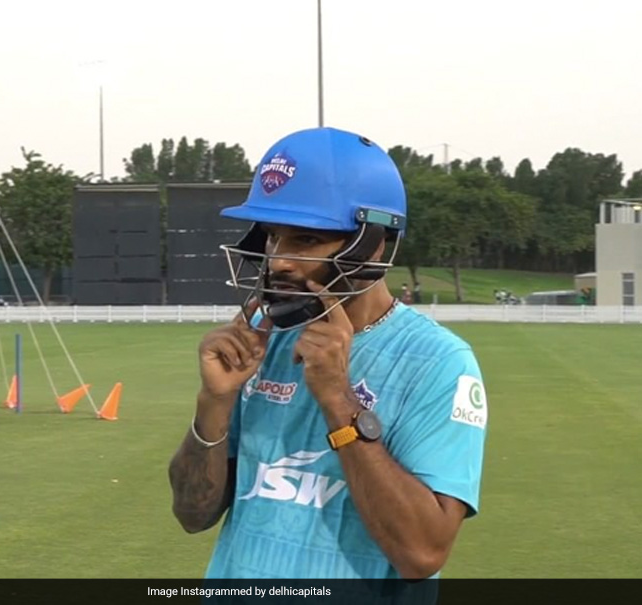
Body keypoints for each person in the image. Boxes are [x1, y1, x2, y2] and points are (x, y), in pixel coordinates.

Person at [168, 127, 487, 581]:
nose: (278, 260)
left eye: (306, 240)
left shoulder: (439, 362)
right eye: (274, 238)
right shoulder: (263, 341)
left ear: (372, 242)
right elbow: (191, 514)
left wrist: (338, 399)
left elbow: (421, 554)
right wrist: (214, 403)